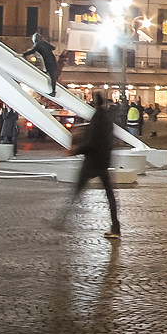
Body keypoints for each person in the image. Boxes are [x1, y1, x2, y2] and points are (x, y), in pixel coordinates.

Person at [61, 90, 121, 239]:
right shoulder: (107, 119)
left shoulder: (97, 119)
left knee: (77, 190)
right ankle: (116, 227)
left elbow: (92, 143)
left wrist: (75, 151)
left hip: (93, 161)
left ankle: (61, 219)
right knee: (109, 195)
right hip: (103, 161)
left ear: (94, 103)